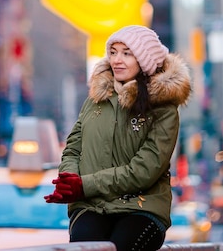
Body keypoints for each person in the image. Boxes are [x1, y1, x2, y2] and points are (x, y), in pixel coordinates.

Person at [44, 24, 192, 251]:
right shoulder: (96, 99)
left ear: (145, 60)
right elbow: (73, 147)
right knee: (87, 245)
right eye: (113, 52)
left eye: (127, 53)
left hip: (141, 207)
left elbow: (144, 170)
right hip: (92, 206)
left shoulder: (163, 109)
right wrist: (69, 180)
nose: (117, 60)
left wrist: (83, 185)